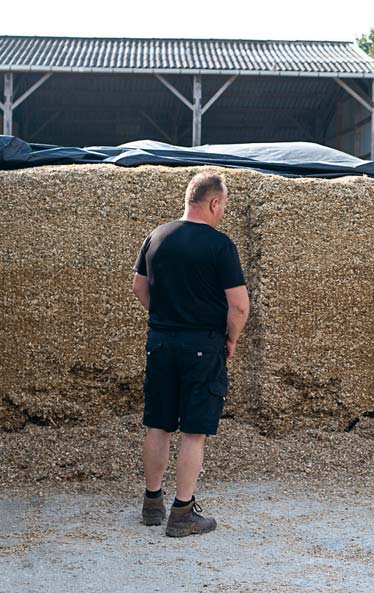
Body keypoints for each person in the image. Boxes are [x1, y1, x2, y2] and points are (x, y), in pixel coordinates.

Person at [131, 170, 249, 537]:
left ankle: (152, 503)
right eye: (223, 206)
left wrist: (165, 319)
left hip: (161, 342)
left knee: (159, 424)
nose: (223, 212)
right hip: (203, 345)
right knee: (194, 431)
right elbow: (239, 306)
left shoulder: (157, 236)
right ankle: (182, 513)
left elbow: (138, 287)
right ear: (214, 203)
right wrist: (230, 339)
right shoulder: (220, 245)